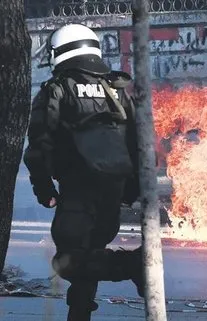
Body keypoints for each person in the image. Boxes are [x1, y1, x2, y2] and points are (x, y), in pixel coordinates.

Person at [24, 23, 144, 321]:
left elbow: (39, 143)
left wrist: (44, 189)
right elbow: (136, 142)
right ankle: (78, 314)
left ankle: (135, 265)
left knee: (68, 261)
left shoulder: (57, 89)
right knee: (90, 252)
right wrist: (132, 189)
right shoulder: (116, 90)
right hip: (113, 191)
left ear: (60, 52)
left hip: (79, 188)